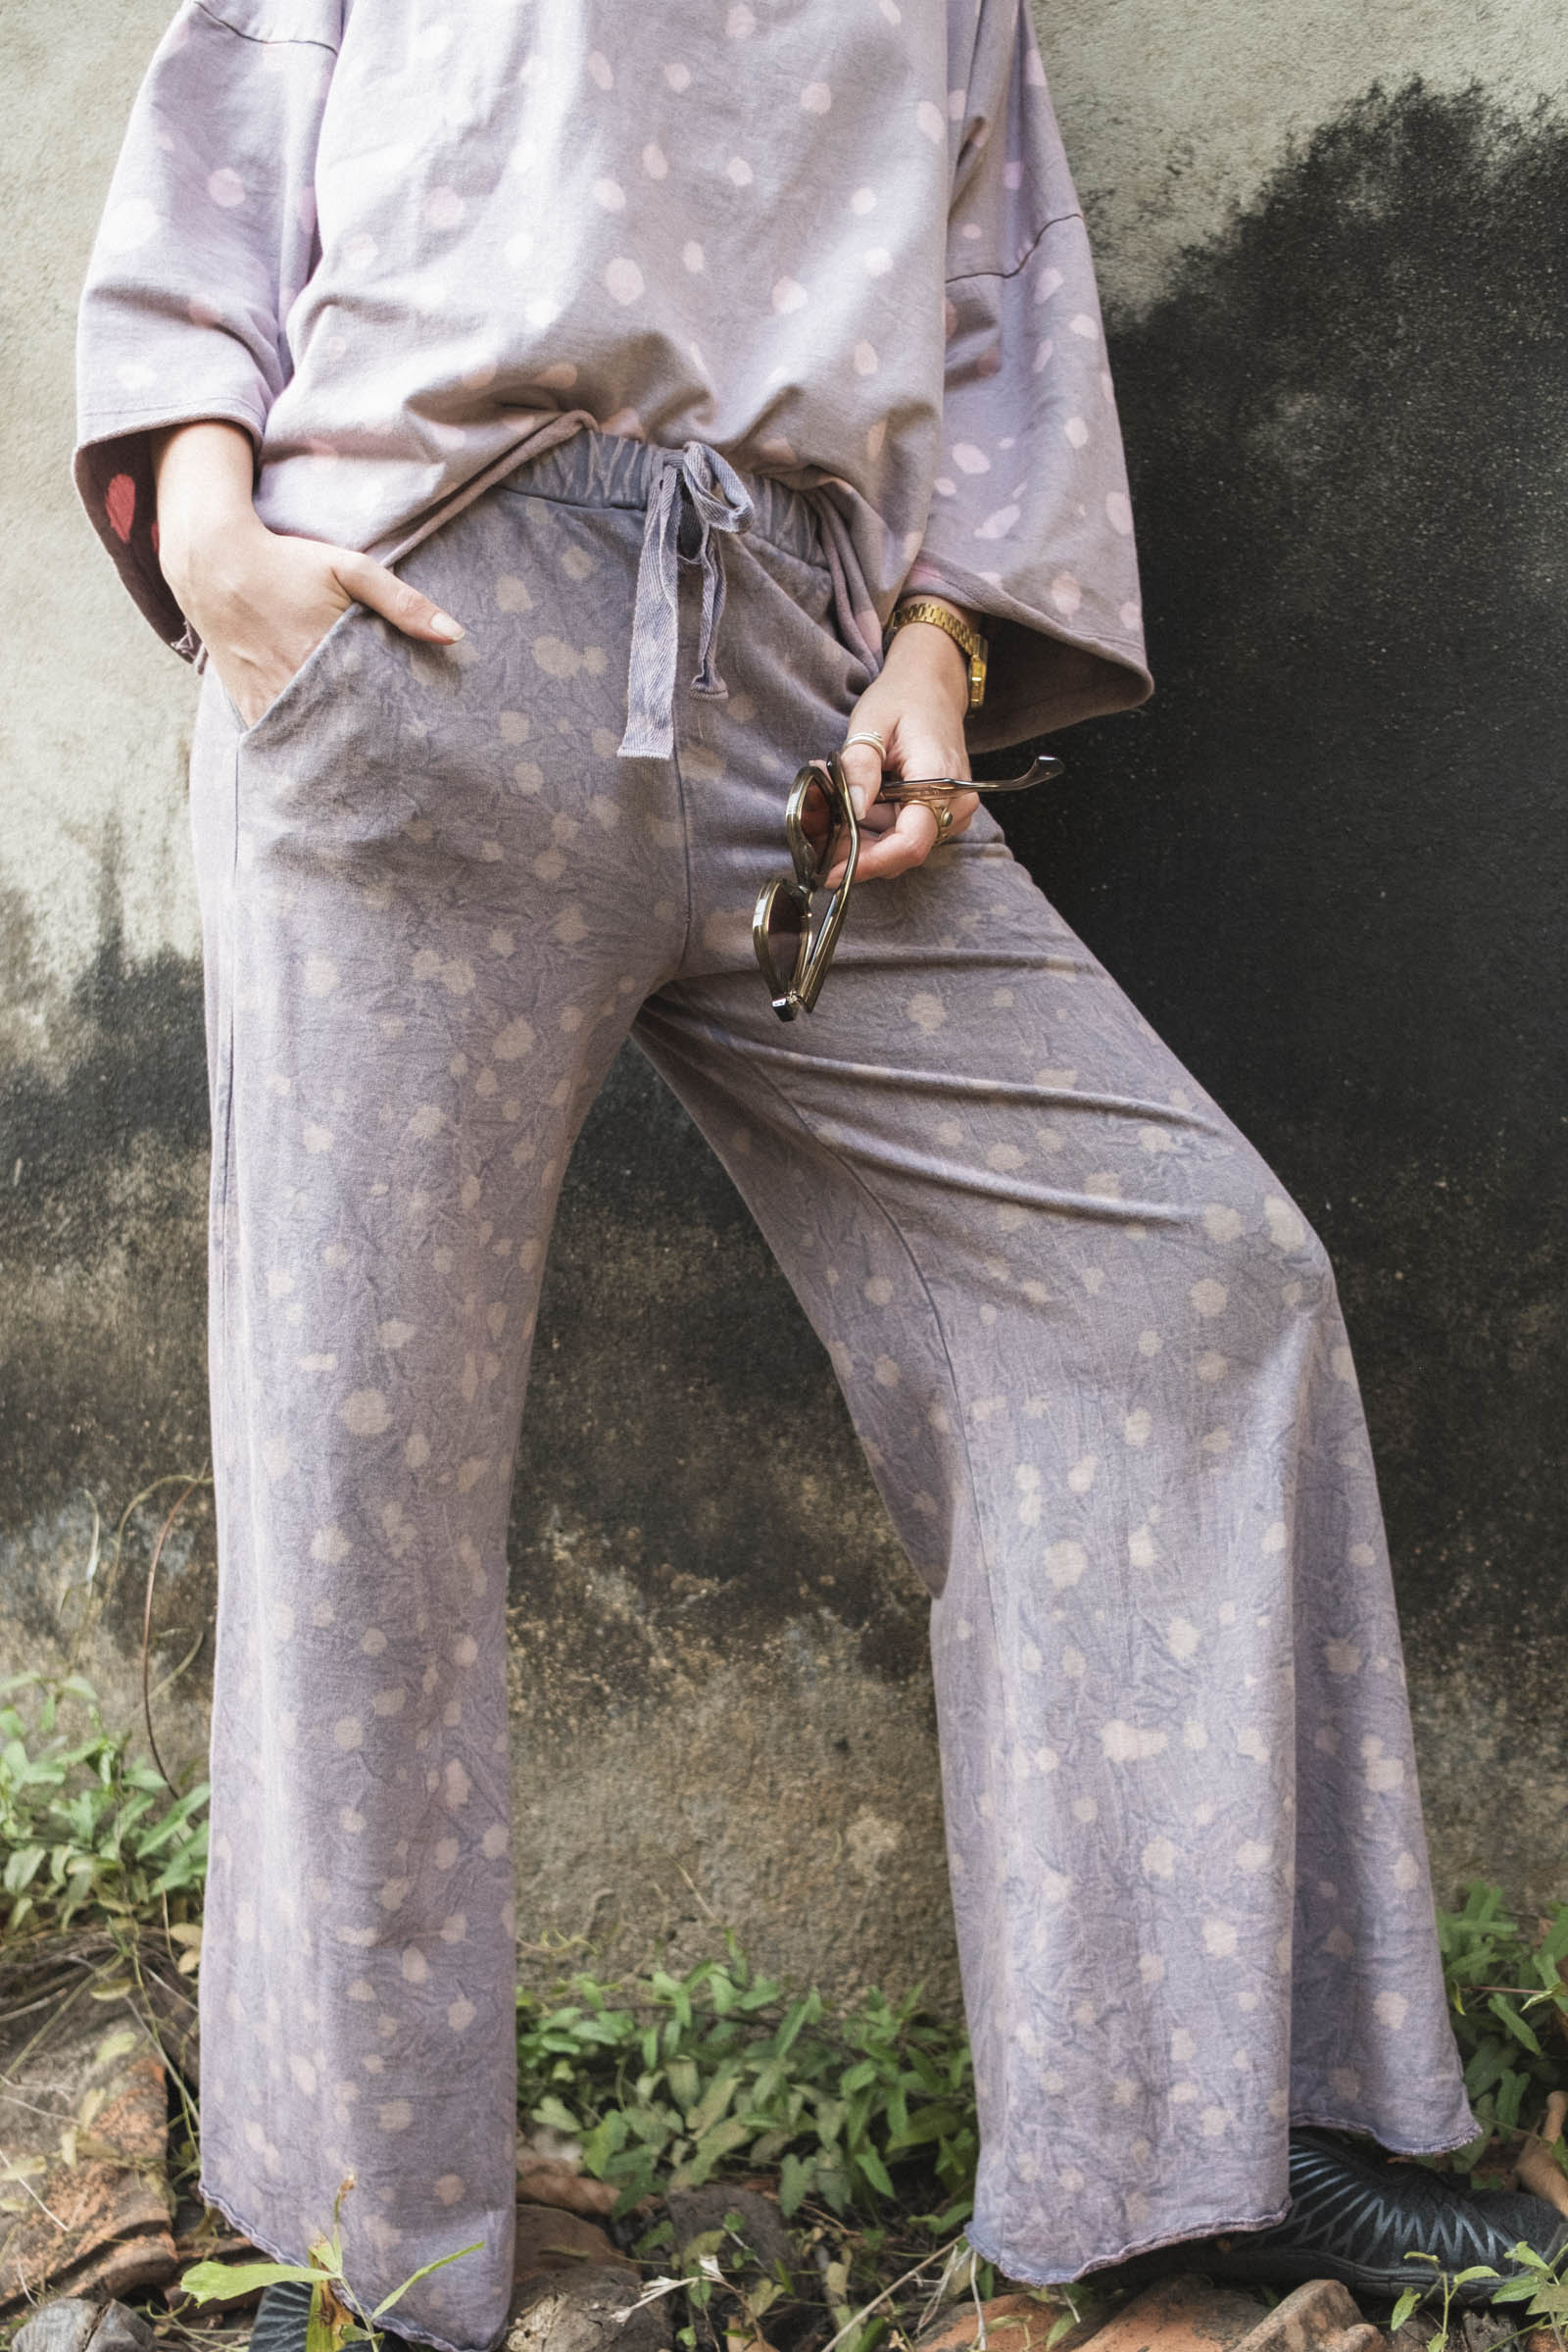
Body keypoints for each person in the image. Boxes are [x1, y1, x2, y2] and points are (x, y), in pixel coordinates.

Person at [72, 4, 1566, 2349]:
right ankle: (362, 2249)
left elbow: (991, 310)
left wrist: (939, 648)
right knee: (360, 1473)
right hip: (422, 643)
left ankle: (1205, 2126)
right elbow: (223, 152)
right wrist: (210, 532)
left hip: (798, 681)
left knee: (1185, 1290)